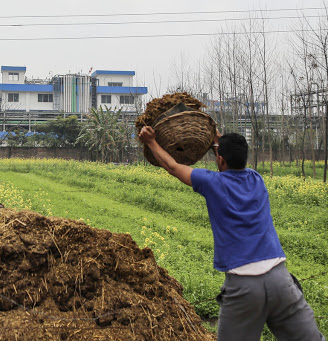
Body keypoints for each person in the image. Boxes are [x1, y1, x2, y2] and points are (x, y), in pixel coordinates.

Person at [138, 126, 325, 341]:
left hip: (243, 288)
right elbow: (229, 158)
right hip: (281, 281)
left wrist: (151, 141)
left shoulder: (212, 182)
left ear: (220, 161)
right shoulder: (257, 180)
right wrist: (218, 141)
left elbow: (172, 166)